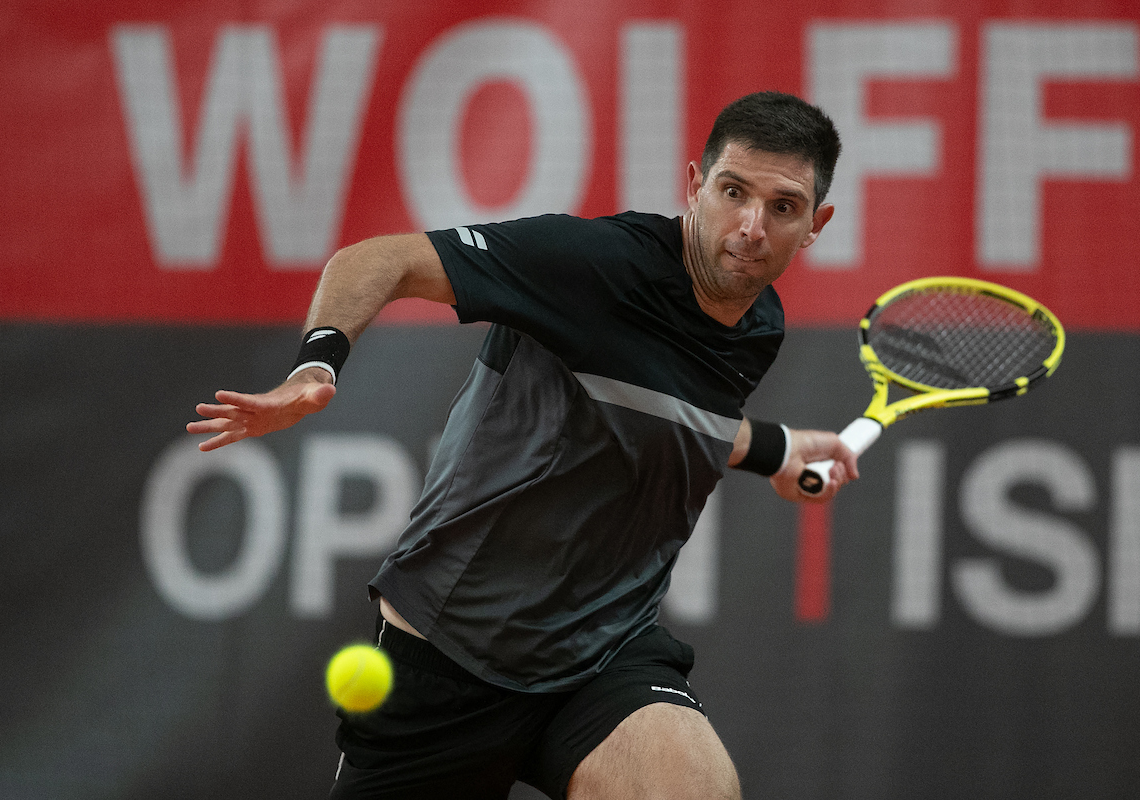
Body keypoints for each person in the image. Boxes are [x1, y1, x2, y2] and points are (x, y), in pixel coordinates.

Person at [188, 90, 859, 800]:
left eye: (782, 207)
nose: (752, 227)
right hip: (451, 653)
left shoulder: (758, 325)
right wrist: (317, 365)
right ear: (694, 185)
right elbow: (379, 258)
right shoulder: (591, 264)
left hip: (604, 649)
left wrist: (775, 450)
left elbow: (662, 420)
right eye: (733, 192)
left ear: (815, 224)